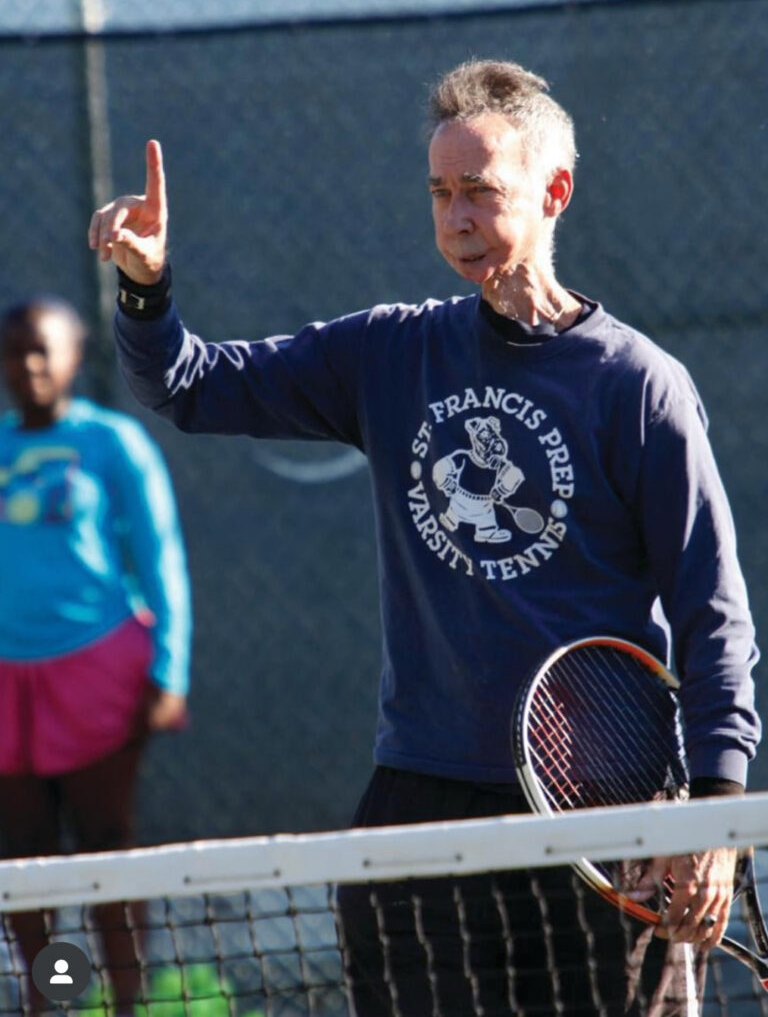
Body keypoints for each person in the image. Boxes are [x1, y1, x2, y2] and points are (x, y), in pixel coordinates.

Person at [87, 59, 760, 1016]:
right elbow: (191, 384)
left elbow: (713, 616)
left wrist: (716, 808)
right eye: (440, 192)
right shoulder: (391, 352)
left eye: (481, 191)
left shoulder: (639, 385)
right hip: (421, 805)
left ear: (554, 191)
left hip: (601, 818)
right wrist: (147, 291)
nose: (455, 217)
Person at [0, 296, 192, 1016]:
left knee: (105, 848)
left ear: (75, 357)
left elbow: (161, 558)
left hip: (99, 677)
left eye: (41, 349)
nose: (27, 365)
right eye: (14, 351)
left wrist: (168, 672)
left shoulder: (113, 444)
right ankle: (53, 999)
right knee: (25, 853)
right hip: (6, 687)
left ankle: (124, 1002)